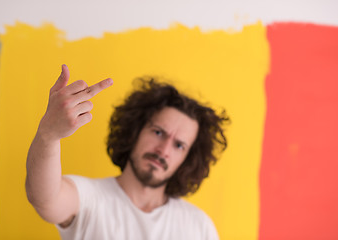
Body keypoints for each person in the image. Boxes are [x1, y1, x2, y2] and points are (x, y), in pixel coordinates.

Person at [25, 64, 229, 240]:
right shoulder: (90, 198)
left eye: (179, 145)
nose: (163, 150)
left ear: (188, 158)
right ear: (136, 131)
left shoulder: (199, 226)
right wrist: (48, 135)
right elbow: (45, 198)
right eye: (158, 132)